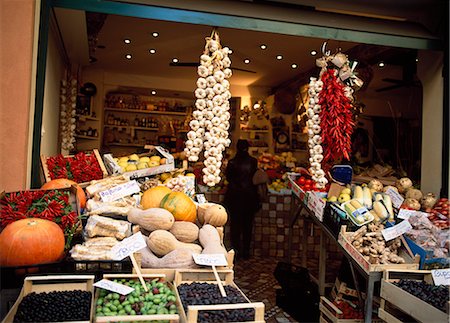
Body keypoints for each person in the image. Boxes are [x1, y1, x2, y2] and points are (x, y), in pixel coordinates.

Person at [224, 139, 260, 260]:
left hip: (234, 197)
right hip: (250, 197)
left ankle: (236, 251)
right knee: (247, 226)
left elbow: (228, 177)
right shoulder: (253, 162)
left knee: (235, 225)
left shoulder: (232, 163)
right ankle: (246, 251)